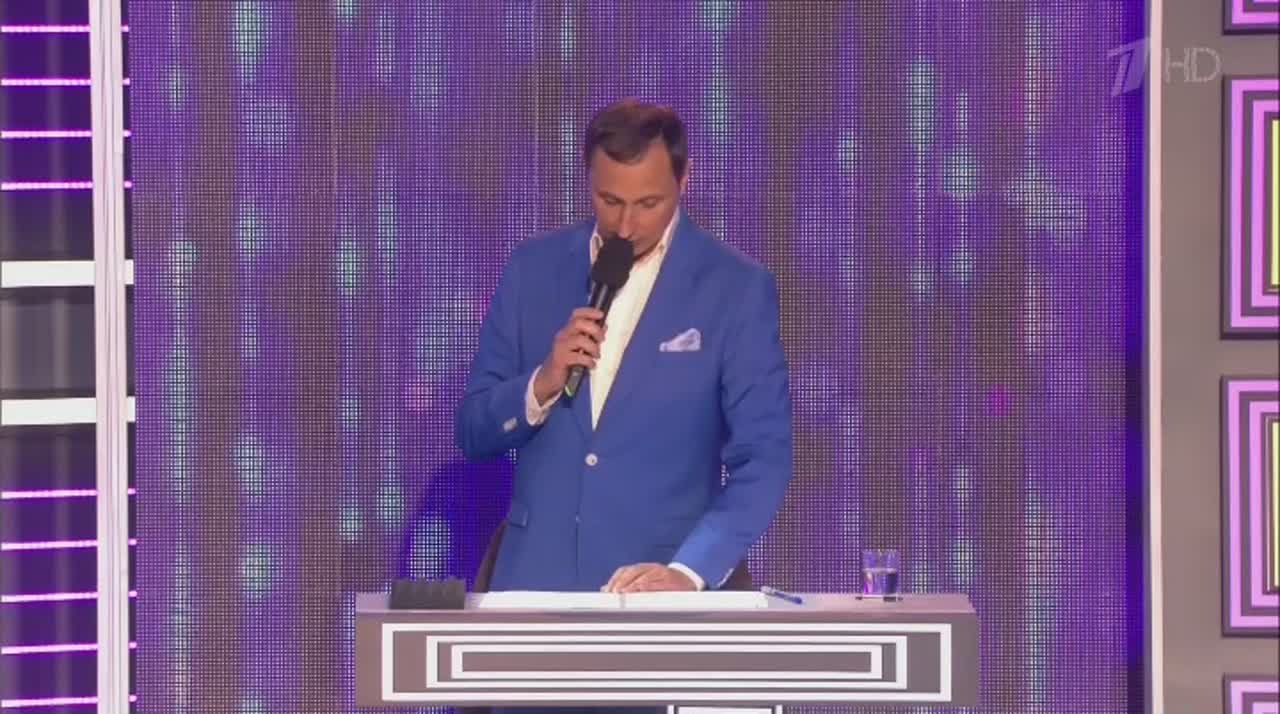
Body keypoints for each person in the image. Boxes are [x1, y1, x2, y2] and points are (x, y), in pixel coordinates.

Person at [455, 98, 792, 599]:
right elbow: (473, 431)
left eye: (648, 204)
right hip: (535, 586)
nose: (626, 226)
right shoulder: (533, 270)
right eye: (610, 201)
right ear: (588, 181)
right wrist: (541, 384)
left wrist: (690, 571)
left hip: (658, 590)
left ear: (684, 180)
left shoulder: (735, 289)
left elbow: (764, 459)